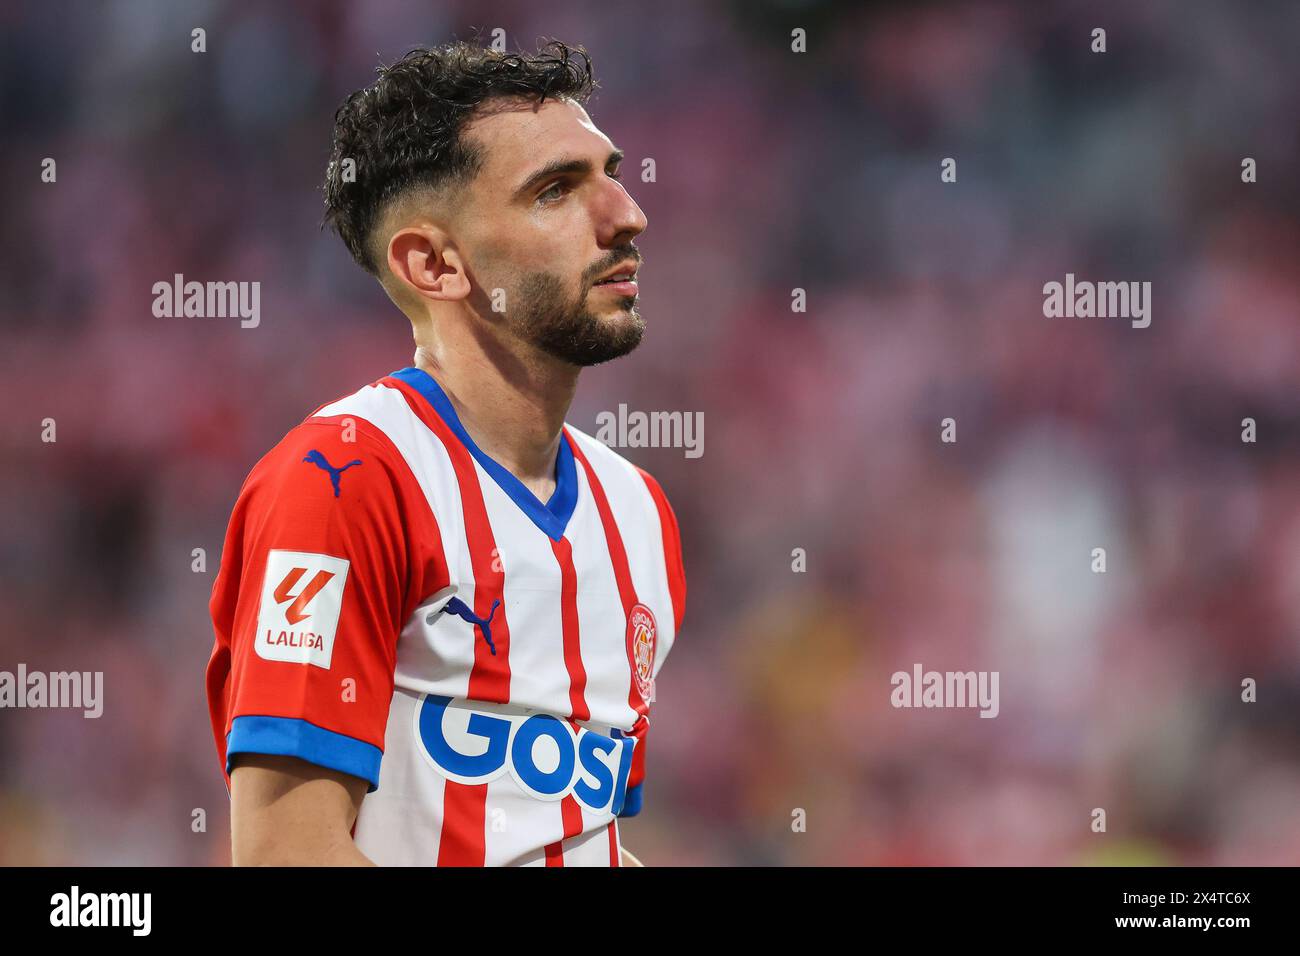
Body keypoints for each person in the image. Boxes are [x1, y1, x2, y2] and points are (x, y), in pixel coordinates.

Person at [204, 39, 685, 866]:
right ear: (434, 264)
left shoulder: (638, 511)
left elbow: (570, 838)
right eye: (556, 191)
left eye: (610, 173)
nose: (626, 214)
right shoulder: (343, 480)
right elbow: (287, 852)